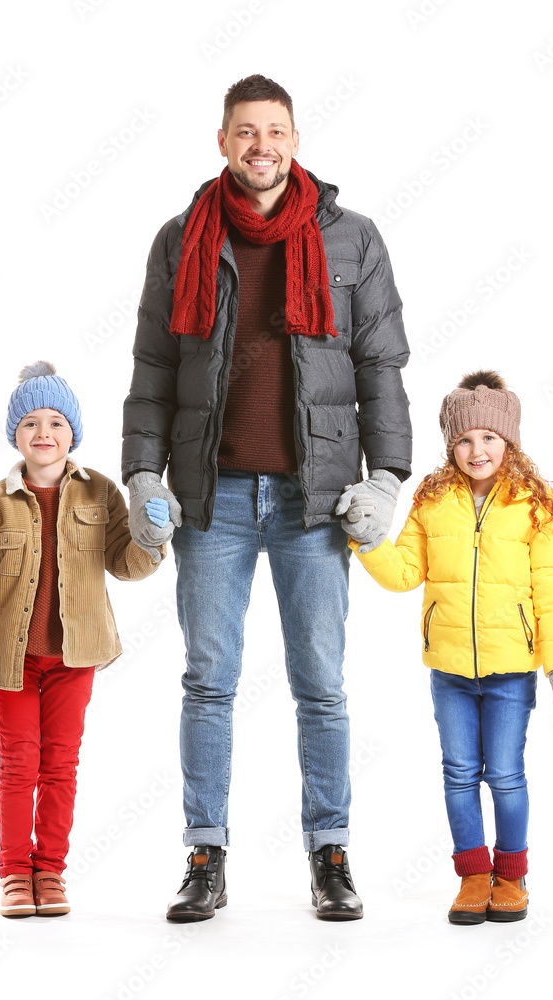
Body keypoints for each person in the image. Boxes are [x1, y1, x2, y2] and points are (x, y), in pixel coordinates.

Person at [122, 74, 412, 921]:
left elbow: (378, 370)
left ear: (293, 138)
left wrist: (387, 476)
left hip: (312, 503)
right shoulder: (181, 239)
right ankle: (204, 857)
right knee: (208, 682)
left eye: (274, 131)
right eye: (245, 132)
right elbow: (151, 372)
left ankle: (329, 854)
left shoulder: (350, 239)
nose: (261, 146)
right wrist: (143, 472)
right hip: (209, 499)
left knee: (320, 684)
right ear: (222, 141)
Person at [343, 370, 553, 924]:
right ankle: (475, 876)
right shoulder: (433, 500)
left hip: (510, 672)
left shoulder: (537, 506)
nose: (477, 450)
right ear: (450, 444)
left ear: (510, 441)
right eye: (465, 439)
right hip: (449, 670)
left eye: (490, 438)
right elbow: (407, 573)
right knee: (458, 772)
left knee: (503, 774)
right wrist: (368, 539)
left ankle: (512, 876)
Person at [0, 361, 167, 918]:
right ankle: (14, 874)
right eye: (29, 423)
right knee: (18, 765)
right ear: (14, 435)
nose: (43, 433)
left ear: (73, 433)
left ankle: (50, 871)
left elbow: (126, 564)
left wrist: (153, 534)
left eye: (56, 422)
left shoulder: (101, 494)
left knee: (61, 764)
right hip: (11, 661)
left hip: (75, 659)